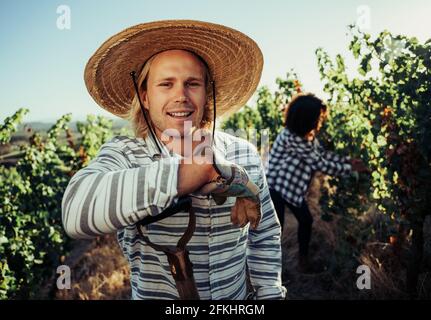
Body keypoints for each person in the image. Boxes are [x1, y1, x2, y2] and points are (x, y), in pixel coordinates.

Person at [62, 20, 286, 300]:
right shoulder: (126, 154)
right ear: (145, 96)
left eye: (192, 84)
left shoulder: (243, 153)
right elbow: (74, 214)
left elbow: (264, 235)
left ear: (207, 93)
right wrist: (185, 175)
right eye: (166, 84)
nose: (180, 96)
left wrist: (270, 294)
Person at [266, 93, 368, 273]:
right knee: (277, 228)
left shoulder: (307, 137)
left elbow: (322, 155)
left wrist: (348, 161)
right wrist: (351, 170)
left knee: (306, 220)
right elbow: (320, 163)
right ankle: (269, 268)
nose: (318, 122)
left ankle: (302, 262)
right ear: (305, 119)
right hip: (276, 187)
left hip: (291, 188)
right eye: (316, 119)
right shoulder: (291, 138)